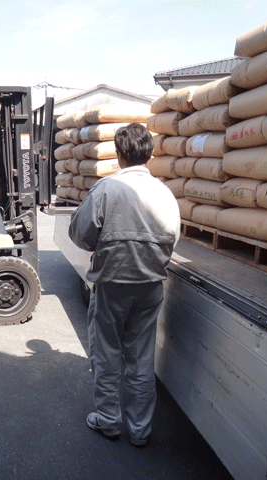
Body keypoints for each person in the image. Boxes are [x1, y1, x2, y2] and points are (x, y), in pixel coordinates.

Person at [68, 122, 180, 447]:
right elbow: (172, 238)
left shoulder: (107, 189)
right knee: (141, 357)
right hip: (151, 286)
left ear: (118, 155)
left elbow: (81, 234)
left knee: (107, 354)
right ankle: (141, 430)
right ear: (151, 153)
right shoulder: (165, 193)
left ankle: (109, 421)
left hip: (113, 284)